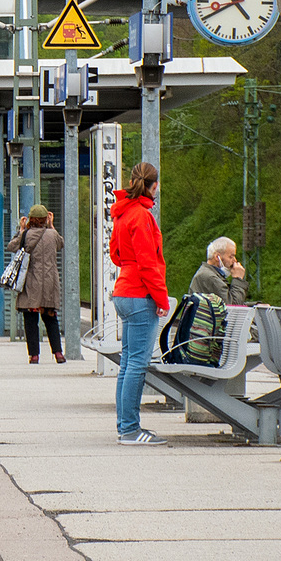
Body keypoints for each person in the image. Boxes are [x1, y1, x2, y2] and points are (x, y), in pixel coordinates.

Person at [109, 161, 170, 446]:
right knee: (137, 363)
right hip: (139, 294)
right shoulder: (142, 216)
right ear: (153, 185)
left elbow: (116, 255)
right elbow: (149, 264)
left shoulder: (122, 213)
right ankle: (131, 430)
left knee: (127, 364)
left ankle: (125, 427)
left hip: (123, 290)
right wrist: (161, 299)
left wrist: (130, 267)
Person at [7, 204, 64, 364]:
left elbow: (11, 247)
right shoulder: (53, 235)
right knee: (51, 319)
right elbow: (61, 244)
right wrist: (52, 225)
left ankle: (34, 355)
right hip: (49, 284)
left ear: (31, 219)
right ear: (47, 218)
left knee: (31, 320)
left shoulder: (27, 234)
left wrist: (21, 229)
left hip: (31, 283)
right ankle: (58, 353)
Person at [190, 236, 248, 305]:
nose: (235, 260)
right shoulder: (210, 277)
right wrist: (238, 279)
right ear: (217, 257)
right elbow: (232, 306)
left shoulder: (210, 274)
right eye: (231, 257)